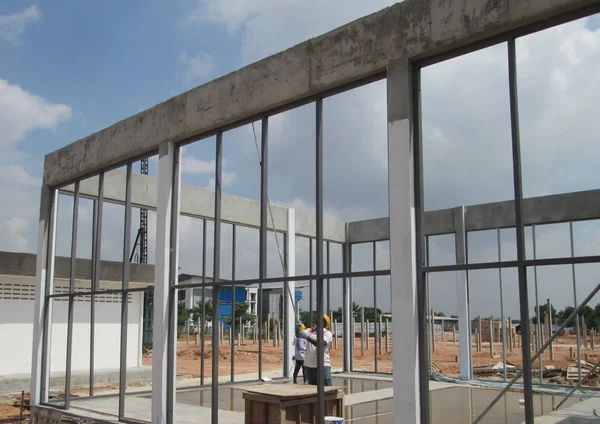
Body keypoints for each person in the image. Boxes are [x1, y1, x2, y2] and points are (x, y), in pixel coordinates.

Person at [297, 314, 333, 386]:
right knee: (312, 388)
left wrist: (307, 337)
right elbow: (298, 335)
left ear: (325, 323)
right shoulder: (309, 330)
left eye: (321, 320)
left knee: (327, 387)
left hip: (323, 365)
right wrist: (298, 329)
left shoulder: (327, 333)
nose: (318, 321)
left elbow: (320, 344)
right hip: (309, 365)